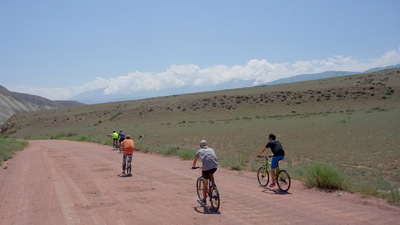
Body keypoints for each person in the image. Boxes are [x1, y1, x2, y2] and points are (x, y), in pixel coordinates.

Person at [192, 140, 218, 205]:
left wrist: (193, 166)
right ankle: (213, 185)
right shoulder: (211, 149)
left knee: (205, 183)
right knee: (211, 172)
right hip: (215, 166)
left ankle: (204, 200)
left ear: (200, 146)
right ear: (207, 144)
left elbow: (195, 161)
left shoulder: (199, 151)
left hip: (206, 169)